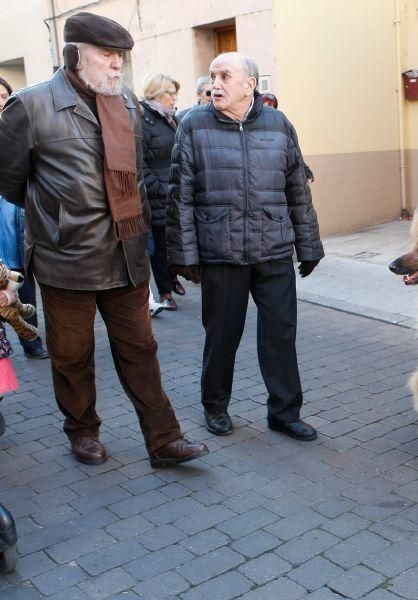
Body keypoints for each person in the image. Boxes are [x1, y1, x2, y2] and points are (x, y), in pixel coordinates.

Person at [0, 12, 208, 467]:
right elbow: (10, 180)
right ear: (75, 55)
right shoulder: (31, 106)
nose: (117, 66)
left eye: (121, 57)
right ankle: (82, 432)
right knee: (72, 355)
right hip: (65, 257)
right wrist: (55, 215)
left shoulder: (128, 103)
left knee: (141, 351)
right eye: (107, 55)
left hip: (126, 253)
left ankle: (164, 440)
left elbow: (134, 178)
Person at [168, 52, 325, 441]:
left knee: (280, 334)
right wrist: (185, 256)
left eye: (224, 76)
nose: (214, 84)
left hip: (273, 249)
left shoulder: (279, 124)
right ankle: (215, 406)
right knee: (222, 335)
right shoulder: (193, 125)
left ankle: (284, 413)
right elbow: (180, 195)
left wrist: (308, 246)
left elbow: (296, 190)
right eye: (211, 76)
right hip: (220, 250)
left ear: (249, 84)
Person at [0, 78, 49, 359]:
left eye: (4, 94)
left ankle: (33, 343)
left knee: (24, 284)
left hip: (19, 220)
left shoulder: (21, 131)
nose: (0, 100)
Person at [140, 73, 185, 310]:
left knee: (172, 241)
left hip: (173, 190)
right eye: (171, 93)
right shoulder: (141, 117)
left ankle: (173, 277)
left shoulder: (171, 118)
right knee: (158, 245)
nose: (174, 98)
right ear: (156, 92)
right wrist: (156, 187)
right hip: (156, 194)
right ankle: (165, 291)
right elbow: (139, 160)